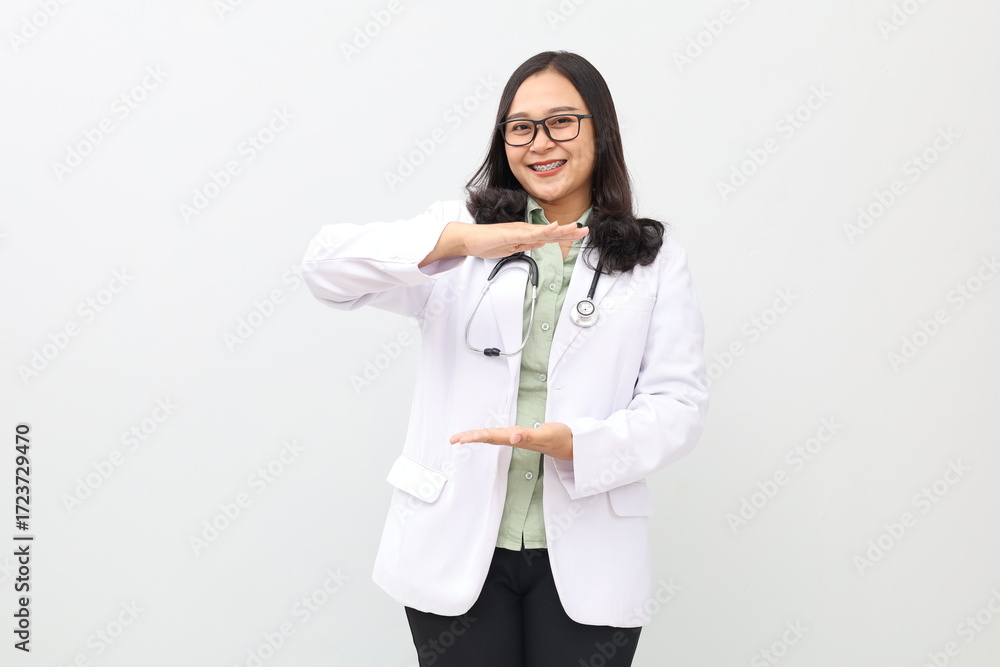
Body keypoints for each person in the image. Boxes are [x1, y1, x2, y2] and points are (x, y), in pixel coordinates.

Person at [300, 50, 708, 667]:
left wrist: (578, 443)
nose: (540, 143)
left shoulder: (655, 261)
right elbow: (324, 269)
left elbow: (679, 406)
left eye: (561, 121)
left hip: (588, 548)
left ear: (600, 130)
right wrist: (464, 240)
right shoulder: (458, 239)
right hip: (458, 546)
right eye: (521, 127)